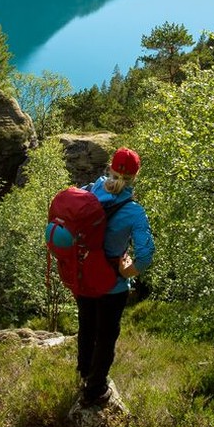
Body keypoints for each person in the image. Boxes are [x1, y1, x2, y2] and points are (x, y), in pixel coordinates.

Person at [74, 146, 155, 409]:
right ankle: (96, 388)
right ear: (136, 175)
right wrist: (128, 270)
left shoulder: (89, 191)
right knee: (106, 335)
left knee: (86, 327)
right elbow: (145, 254)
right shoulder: (134, 211)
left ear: (110, 166)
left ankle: (84, 373)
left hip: (84, 278)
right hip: (111, 285)